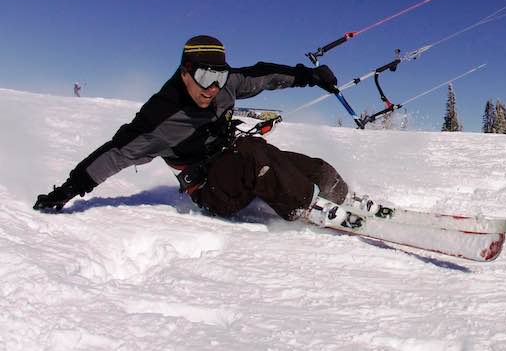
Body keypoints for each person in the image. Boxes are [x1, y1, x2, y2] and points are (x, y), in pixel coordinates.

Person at [34, 35, 352, 223]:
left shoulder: (228, 85)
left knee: (286, 159)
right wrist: (65, 192)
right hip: (210, 192)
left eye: (219, 77)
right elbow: (112, 156)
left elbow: (265, 74)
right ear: (185, 72)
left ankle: (342, 197)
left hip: (238, 164)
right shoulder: (159, 118)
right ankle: (308, 208)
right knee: (257, 155)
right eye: (203, 77)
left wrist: (311, 75)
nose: (212, 88)